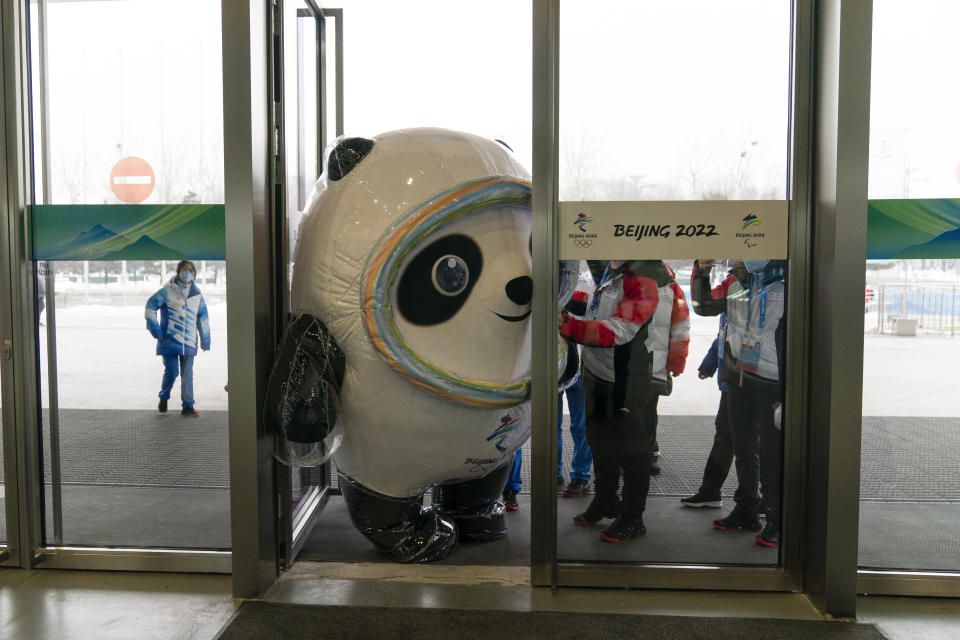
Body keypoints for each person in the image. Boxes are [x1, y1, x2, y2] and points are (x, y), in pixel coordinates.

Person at [559, 260, 687, 542]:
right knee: (600, 444)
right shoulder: (611, 272)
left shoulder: (644, 277)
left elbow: (620, 330)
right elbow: (590, 307)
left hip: (632, 380)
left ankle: (632, 518)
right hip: (600, 374)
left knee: (633, 453)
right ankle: (606, 501)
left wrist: (570, 327)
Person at [690, 258, 786, 548]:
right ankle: (746, 507)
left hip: (772, 379)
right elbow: (704, 306)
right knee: (743, 446)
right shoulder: (736, 280)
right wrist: (702, 269)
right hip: (738, 374)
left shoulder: (788, 280)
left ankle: (777, 519)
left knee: (771, 452)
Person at [146, 260, 211, 417]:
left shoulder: (197, 295)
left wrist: (205, 340)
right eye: (184, 269)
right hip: (168, 341)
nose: (187, 273)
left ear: (194, 274)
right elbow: (150, 306)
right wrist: (156, 330)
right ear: (178, 271)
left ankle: (188, 406)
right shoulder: (167, 291)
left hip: (189, 343)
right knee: (172, 372)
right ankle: (164, 397)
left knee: (187, 374)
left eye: (190, 270)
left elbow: (203, 318)